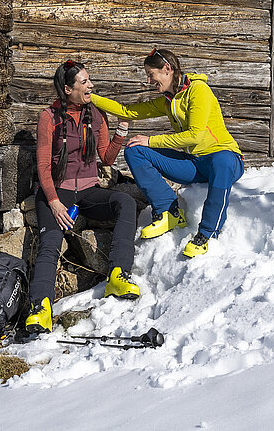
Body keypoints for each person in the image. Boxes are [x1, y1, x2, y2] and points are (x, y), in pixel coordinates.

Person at [90, 48, 244, 258]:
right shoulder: (168, 101)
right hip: (194, 164)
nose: (148, 80)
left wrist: (151, 140)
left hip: (226, 161)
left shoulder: (198, 91)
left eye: (151, 74)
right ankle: (168, 211)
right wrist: (89, 96)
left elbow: (195, 136)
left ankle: (207, 233)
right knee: (135, 150)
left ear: (167, 69)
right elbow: (127, 111)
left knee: (222, 160)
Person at [25, 60, 139, 335]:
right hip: (57, 192)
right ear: (68, 89)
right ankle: (40, 308)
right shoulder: (49, 117)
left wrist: (121, 132)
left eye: (90, 80)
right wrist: (53, 202)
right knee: (50, 243)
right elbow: (43, 165)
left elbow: (106, 158)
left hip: (89, 190)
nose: (91, 85)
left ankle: (118, 275)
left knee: (126, 202)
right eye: (84, 82)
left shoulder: (97, 115)